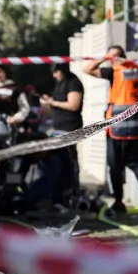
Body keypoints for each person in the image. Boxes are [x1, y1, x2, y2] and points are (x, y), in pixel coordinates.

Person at [82, 46, 138, 214]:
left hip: (118, 128)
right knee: (135, 161)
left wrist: (103, 58)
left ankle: (119, 202)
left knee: (115, 166)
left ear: (114, 58)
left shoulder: (114, 72)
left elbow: (87, 69)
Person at [42, 62, 85, 203]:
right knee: (60, 161)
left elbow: (73, 105)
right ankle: (61, 191)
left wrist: (54, 103)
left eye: (56, 72)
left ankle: (73, 190)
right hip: (58, 126)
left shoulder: (73, 82)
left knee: (69, 159)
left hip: (70, 126)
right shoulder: (59, 84)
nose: (54, 76)